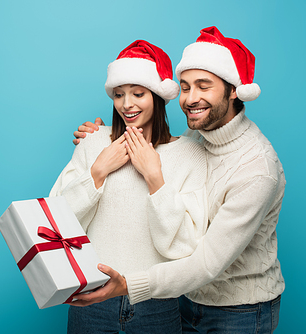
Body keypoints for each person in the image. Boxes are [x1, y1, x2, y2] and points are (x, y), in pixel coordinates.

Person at [71, 27, 285, 333]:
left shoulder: (256, 169)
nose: (191, 99)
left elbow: (206, 263)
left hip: (238, 311)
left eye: (204, 86)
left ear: (234, 89)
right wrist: (106, 135)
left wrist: (129, 284)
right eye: (184, 87)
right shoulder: (199, 133)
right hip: (183, 298)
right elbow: (168, 150)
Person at [50, 40, 208, 334]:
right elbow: (55, 222)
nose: (127, 104)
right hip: (91, 298)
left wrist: (155, 179)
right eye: (119, 94)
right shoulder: (94, 142)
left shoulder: (191, 155)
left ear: (158, 96)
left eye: (138, 93)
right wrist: (97, 171)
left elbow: (186, 246)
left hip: (157, 303)